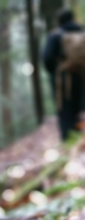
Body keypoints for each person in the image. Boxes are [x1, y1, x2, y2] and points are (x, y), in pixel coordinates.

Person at [43, 8, 84, 140]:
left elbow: (47, 58)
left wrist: (56, 72)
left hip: (63, 79)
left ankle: (69, 139)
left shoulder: (55, 36)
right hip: (82, 76)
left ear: (58, 21)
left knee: (66, 110)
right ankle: (81, 133)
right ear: (72, 18)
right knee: (80, 107)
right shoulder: (82, 31)